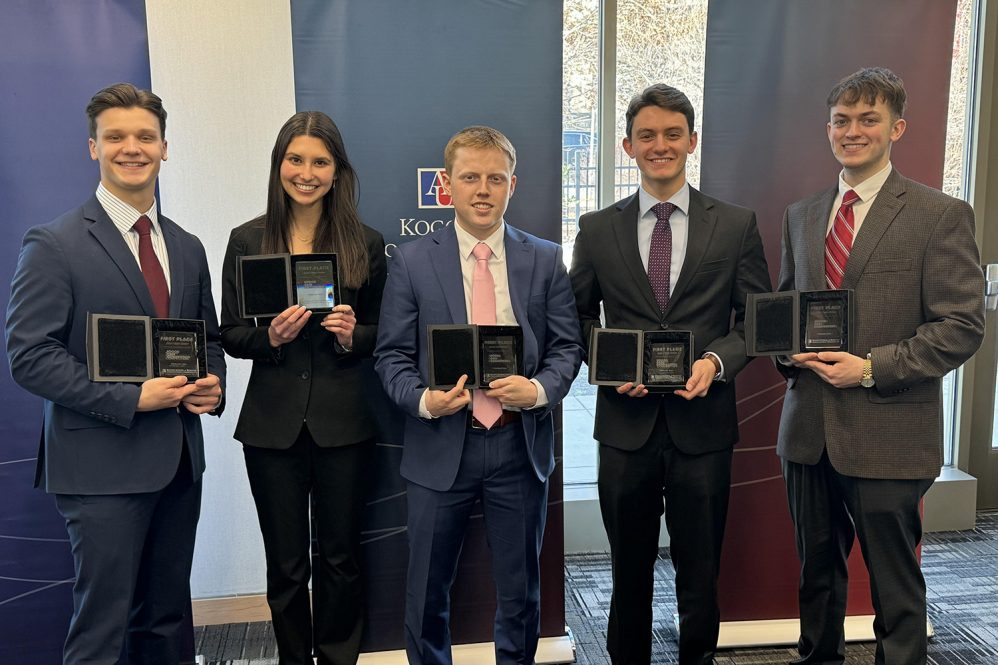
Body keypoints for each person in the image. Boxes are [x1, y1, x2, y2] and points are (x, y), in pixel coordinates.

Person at [5, 82, 225, 664]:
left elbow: (207, 340)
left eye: (145, 136)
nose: (133, 147)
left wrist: (211, 384)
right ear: (93, 148)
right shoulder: (53, 243)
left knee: (167, 622)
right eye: (117, 137)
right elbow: (30, 356)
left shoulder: (187, 245)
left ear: (165, 147)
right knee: (101, 631)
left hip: (178, 462)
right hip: (100, 468)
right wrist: (132, 399)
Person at [777, 67, 985, 665]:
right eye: (842, 120)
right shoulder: (803, 214)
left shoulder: (938, 214)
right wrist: (786, 351)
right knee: (817, 577)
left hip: (890, 431)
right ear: (828, 129)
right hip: (808, 430)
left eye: (868, 119)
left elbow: (961, 326)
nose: (853, 130)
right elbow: (786, 312)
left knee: (894, 586)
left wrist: (869, 368)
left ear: (897, 127)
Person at [570, 84, 771, 665]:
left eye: (673, 134)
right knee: (626, 574)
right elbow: (577, 317)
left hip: (702, 429)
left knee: (700, 576)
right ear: (629, 145)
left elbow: (755, 320)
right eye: (648, 136)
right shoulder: (596, 228)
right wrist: (607, 368)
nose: (661, 146)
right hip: (625, 430)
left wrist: (716, 362)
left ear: (692, 141)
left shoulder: (733, 225)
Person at [374, 126, 582, 665]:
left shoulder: (544, 258)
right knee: (426, 594)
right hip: (441, 442)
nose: (482, 190)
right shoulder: (413, 261)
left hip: (518, 446)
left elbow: (567, 349)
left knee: (520, 592)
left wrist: (537, 390)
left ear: (514, 184)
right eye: (470, 178)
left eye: (495, 178)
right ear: (447, 185)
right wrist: (423, 400)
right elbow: (390, 356)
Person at [220, 111, 387, 665]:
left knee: (340, 558)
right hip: (271, 429)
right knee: (286, 563)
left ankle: (339, 659)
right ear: (279, 165)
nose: (307, 172)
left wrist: (350, 337)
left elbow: (386, 333)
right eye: (296, 159)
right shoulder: (246, 239)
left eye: (320, 161)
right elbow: (230, 333)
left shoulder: (367, 241)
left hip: (344, 425)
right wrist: (269, 336)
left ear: (337, 171)